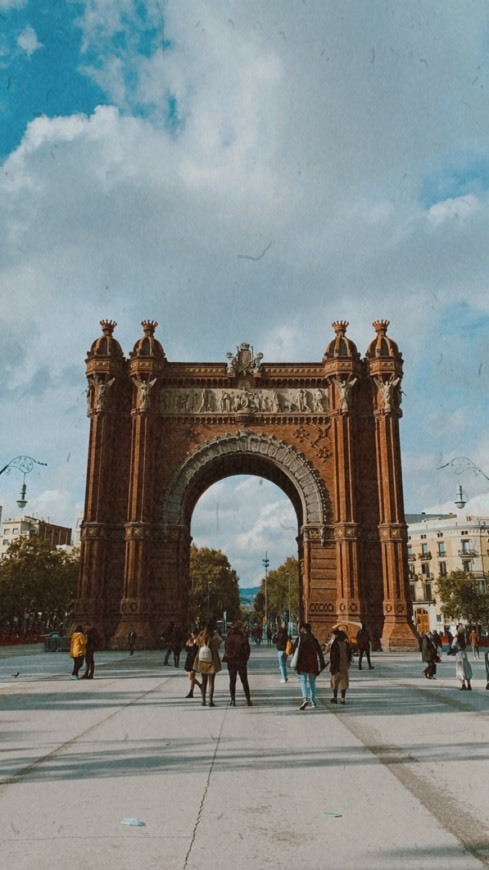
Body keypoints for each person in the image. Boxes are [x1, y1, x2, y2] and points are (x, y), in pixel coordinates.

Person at [291, 622, 325, 710]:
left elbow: (293, 651)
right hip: (313, 663)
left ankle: (305, 699)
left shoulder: (300, 639)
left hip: (302, 664)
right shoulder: (313, 639)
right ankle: (313, 701)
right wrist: (322, 664)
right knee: (312, 683)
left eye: (301, 628)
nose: (300, 629)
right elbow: (320, 653)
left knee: (303, 682)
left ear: (303, 629)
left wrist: (295, 664)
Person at [193, 620, 223, 707]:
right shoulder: (213, 635)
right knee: (211, 682)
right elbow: (220, 642)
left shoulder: (201, 635)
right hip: (212, 660)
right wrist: (216, 633)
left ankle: (203, 700)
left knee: (204, 681)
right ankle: (210, 700)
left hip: (202, 660)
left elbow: (197, 643)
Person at [223, 622, 252, 706]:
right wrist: (245, 660)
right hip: (241, 662)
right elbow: (248, 650)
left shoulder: (228, 638)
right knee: (244, 681)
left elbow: (226, 649)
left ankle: (233, 700)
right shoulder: (243, 638)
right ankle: (248, 700)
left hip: (231, 661)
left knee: (232, 681)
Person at [329, 628, 352, 704]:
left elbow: (332, 656)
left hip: (336, 666)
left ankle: (335, 698)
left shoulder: (335, 645)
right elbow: (349, 656)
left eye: (333, 635)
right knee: (343, 683)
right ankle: (343, 699)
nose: (332, 636)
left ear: (337, 635)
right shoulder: (346, 644)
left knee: (335, 682)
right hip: (344, 666)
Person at [451, 624, 472, 691]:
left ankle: (463, 685)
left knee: (460, 669)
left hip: (459, 654)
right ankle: (469, 684)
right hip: (464, 654)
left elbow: (453, 646)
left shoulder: (456, 638)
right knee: (466, 669)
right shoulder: (464, 638)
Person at [183, 631, 201, 698]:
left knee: (192, 677)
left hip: (195, 660)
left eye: (194, 635)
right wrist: (187, 645)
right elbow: (186, 650)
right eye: (192, 635)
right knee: (190, 677)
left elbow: (196, 651)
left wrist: (193, 645)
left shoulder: (199, 641)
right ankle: (200, 685)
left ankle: (191, 692)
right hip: (189, 660)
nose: (193, 636)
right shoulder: (190, 640)